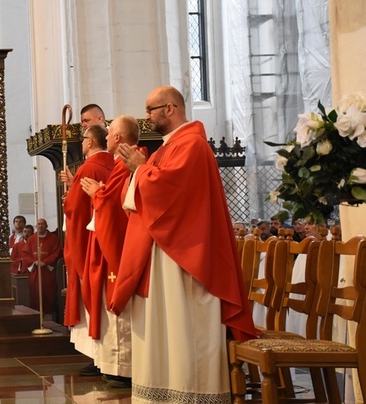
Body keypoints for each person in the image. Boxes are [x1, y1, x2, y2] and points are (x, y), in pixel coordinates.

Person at [110, 86, 257, 402]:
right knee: (168, 328)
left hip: (188, 255)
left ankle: (195, 392)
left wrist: (140, 168)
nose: (146, 116)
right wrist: (138, 170)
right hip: (167, 253)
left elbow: (169, 193)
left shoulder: (190, 144)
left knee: (185, 327)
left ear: (171, 108)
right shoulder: (169, 147)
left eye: (151, 109)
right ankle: (164, 392)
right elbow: (144, 195)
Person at [77, 114, 140, 388]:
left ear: (116, 137)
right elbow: (116, 196)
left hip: (121, 247)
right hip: (113, 242)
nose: (109, 137)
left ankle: (122, 369)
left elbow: (118, 204)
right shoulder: (118, 164)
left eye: (112, 132)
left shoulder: (128, 163)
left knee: (120, 310)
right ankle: (113, 366)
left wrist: (97, 195)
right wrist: (102, 193)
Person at [62, 124, 115, 363]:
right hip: (109, 241)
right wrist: (75, 182)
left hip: (88, 243)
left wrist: (69, 195)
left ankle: (98, 358)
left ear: (90, 142)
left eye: (83, 139)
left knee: (91, 298)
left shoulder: (89, 167)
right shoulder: (112, 163)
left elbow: (73, 207)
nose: (81, 143)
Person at [61, 103, 107, 186]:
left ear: (99, 118)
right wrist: (74, 183)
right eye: (82, 122)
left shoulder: (113, 137)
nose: (83, 125)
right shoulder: (87, 139)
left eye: (86, 120)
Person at [22, 218, 61, 315]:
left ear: (46, 226)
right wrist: (34, 262)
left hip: (48, 271)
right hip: (36, 271)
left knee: (49, 294)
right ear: (36, 226)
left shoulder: (53, 238)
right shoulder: (31, 239)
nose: (40, 226)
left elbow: (56, 253)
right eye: (38, 224)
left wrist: (45, 262)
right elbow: (25, 254)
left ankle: (49, 318)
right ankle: (37, 317)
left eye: (42, 224)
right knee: (35, 294)